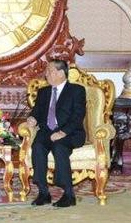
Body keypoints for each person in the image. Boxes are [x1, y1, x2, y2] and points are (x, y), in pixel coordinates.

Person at [27, 59, 86, 208]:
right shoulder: (43, 91)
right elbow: (37, 110)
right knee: (38, 146)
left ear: (60, 73)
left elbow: (78, 116)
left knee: (59, 147)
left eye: (49, 71)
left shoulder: (76, 90)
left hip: (70, 133)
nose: (46, 74)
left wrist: (63, 132)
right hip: (47, 131)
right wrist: (32, 118)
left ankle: (68, 194)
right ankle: (43, 192)